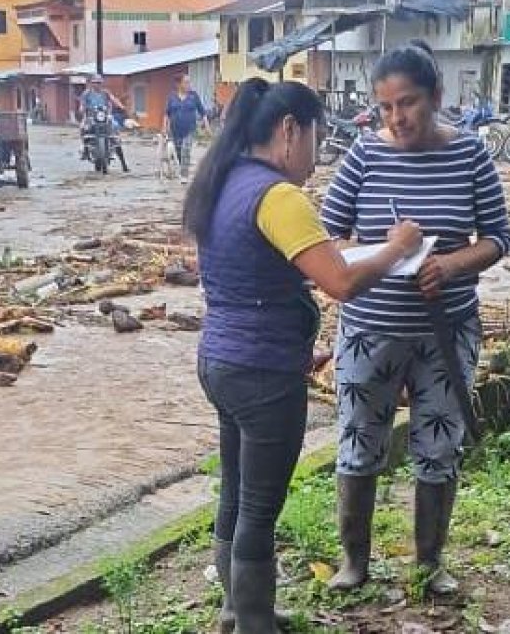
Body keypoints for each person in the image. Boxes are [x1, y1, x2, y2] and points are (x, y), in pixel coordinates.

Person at [185, 77, 423, 633]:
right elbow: (339, 282)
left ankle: (239, 612)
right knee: (260, 506)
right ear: (290, 130)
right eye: (318, 138)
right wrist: (397, 248)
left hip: (220, 362)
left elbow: (261, 266)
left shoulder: (222, 182)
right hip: (263, 374)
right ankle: (254, 623)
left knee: (236, 489)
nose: (318, 158)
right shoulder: (278, 196)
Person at [320, 40, 510, 595]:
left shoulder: (471, 154)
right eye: (385, 107)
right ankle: (354, 562)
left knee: (439, 445)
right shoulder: (363, 155)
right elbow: (329, 238)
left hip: (445, 333)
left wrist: (451, 264)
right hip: (369, 329)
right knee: (359, 441)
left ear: (437, 96)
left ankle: (430, 562)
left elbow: (499, 237)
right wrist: (379, 255)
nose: (396, 118)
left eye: (407, 103)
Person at [162, 73, 211, 183]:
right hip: (175, 130)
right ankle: (182, 169)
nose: (189, 84)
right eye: (186, 82)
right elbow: (166, 114)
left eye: (189, 82)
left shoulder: (193, 96)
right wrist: (164, 128)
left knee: (186, 150)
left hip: (190, 129)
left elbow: (202, 112)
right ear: (179, 84)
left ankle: (184, 175)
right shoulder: (172, 97)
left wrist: (207, 126)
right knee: (179, 152)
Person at [77, 74, 130, 172]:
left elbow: (114, 99)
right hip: (91, 116)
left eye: (99, 83)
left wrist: (121, 106)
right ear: (91, 83)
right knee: (82, 127)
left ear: (101, 83)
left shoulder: (105, 93)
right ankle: (85, 149)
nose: (97, 85)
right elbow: (82, 105)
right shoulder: (86, 94)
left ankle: (123, 163)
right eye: (95, 83)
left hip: (105, 116)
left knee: (115, 127)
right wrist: (81, 109)